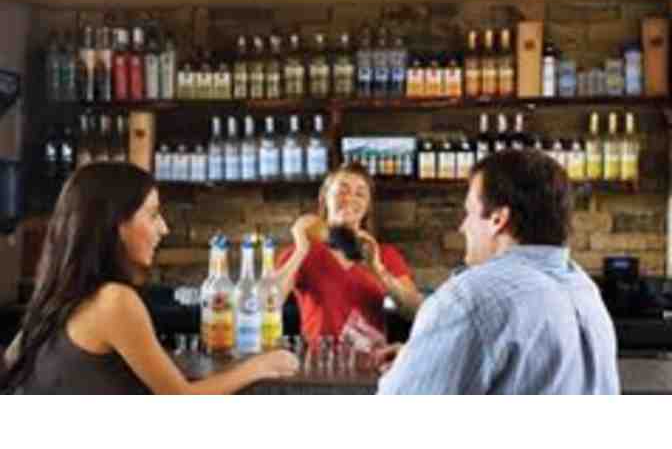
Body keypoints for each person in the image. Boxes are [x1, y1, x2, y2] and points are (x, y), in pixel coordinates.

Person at [1, 162, 298, 394]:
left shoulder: (55, 298)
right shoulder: (113, 301)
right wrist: (260, 366)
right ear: (117, 224)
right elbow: (180, 399)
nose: (164, 228)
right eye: (153, 214)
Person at [376, 149, 620, 394]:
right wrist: (423, 359)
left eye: (469, 213)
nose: (463, 227)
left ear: (497, 220)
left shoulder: (469, 297)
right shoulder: (583, 288)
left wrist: (407, 373)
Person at [274, 162, 423, 345]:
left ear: (367, 206)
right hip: (321, 360)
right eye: (342, 191)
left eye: (360, 194)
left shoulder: (384, 254)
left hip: (374, 359)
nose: (350, 198)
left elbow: (416, 311)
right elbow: (266, 303)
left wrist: (379, 270)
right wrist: (300, 250)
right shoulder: (301, 252)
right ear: (325, 198)